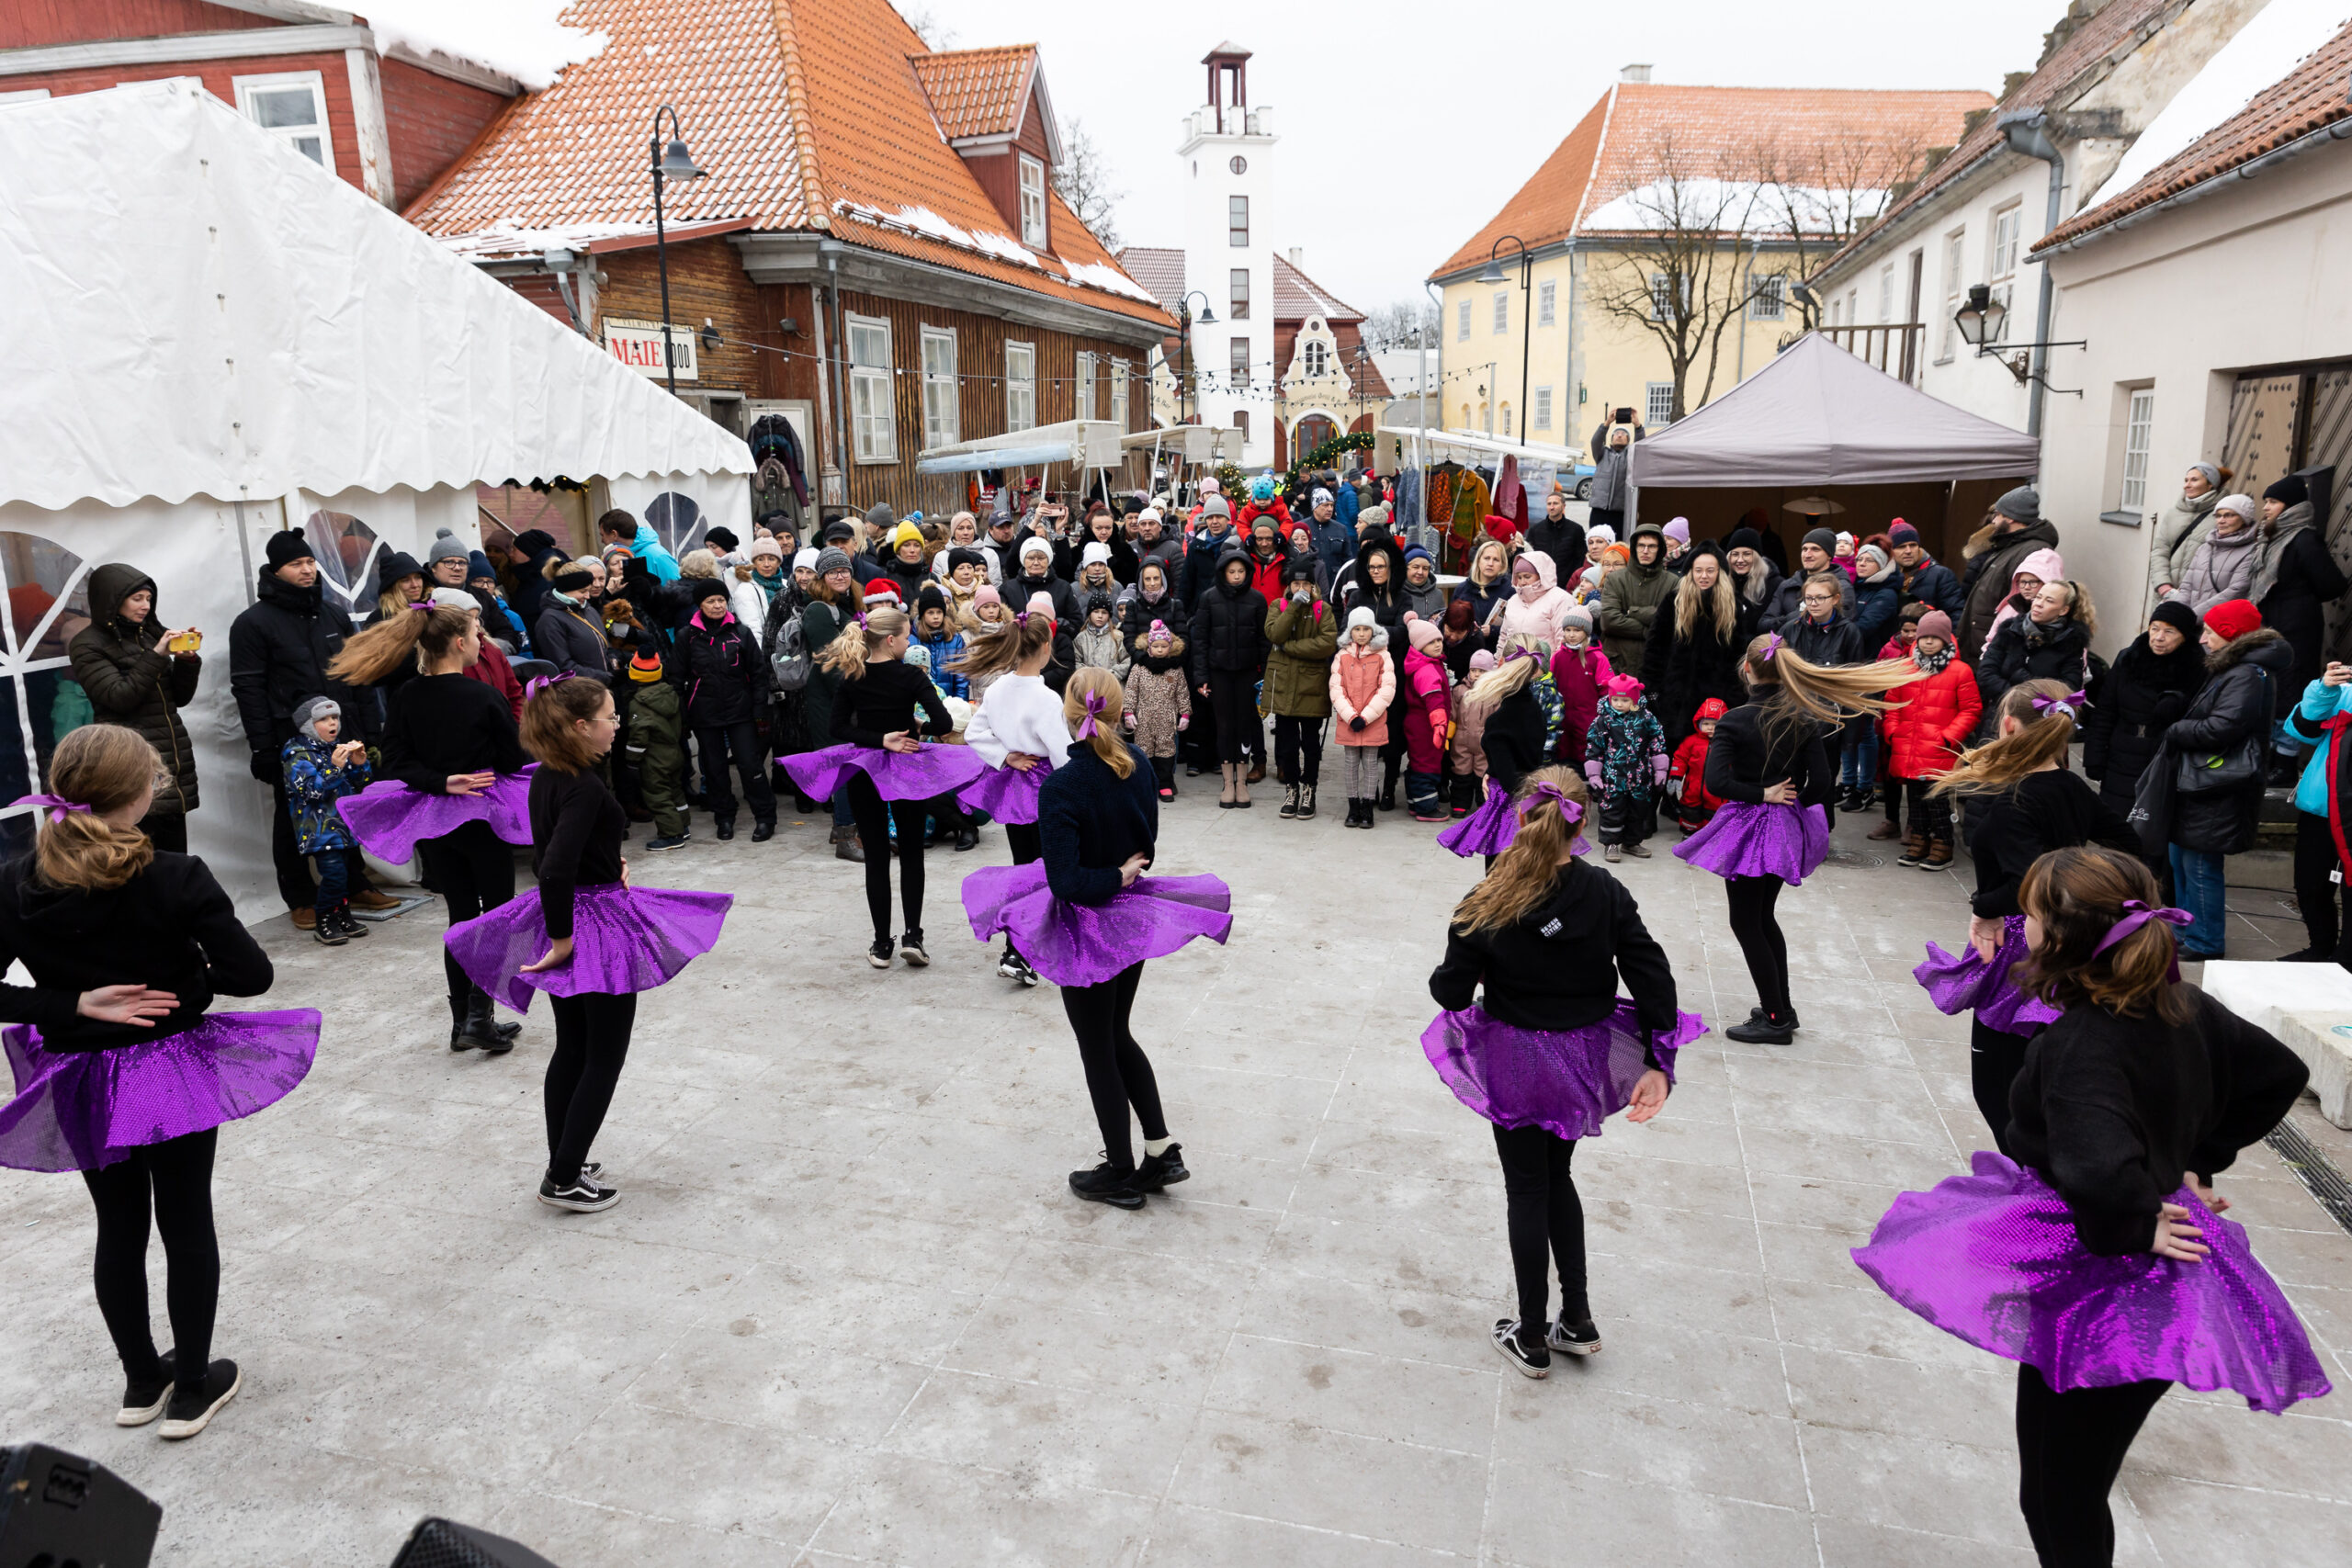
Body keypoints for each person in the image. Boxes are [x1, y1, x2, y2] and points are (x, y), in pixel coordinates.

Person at [1854, 847, 2325, 1567]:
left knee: (2058, 1496)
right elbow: (2278, 1072)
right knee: (2069, 1484)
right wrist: (2197, 1160)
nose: (2023, 924)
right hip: (2148, 1271)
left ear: (2063, 937)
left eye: (2033, 914)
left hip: (2107, 1287)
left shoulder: (2079, 1043)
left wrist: (2136, 1222)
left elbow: (2100, 1170)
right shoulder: (2182, 1005)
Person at [0, 725, 317, 1441]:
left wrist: (71, 1004)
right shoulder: (175, 873)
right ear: (137, 794)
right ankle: (192, 1387)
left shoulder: (18, 879)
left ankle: (143, 1380)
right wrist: (183, 986)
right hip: (164, 1069)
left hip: (79, 1075)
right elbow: (252, 974)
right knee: (184, 1220)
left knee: (118, 1225)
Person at [1424, 766, 1689, 1375]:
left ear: (1519, 819)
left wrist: (1481, 963)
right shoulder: (1606, 891)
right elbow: (1653, 976)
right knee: (1557, 1175)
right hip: (1585, 1058)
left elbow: (1450, 990)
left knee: (1527, 1186)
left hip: (1516, 1056)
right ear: (1583, 824)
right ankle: (1577, 1315)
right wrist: (1658, 1061)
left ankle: (1533, 1335)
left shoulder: (1489, 895)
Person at [444, 678, 728, 1212]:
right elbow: (552, 866)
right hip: (592, 925)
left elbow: (560, 846)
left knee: (572, 1046)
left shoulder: (549, 777)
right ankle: (564, 1178)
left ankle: (564, 1158)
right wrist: (560, 941)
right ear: (581, 727)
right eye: (611, 717)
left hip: (580, 909)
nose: (617, 726)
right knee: (604, 1055)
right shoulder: (585, 786)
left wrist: (606, 859)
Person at [960, 670, 1230, 1210]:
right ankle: (1160, 1149)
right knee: (1117, 1033)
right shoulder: (1139, 768)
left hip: (1088, 924)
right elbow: (1147, 843)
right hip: (1131, 919)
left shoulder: (1063, 784)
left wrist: (1113, 877)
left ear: (1065, 714)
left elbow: (1065, 881)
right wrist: (1125, 873)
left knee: (1096, 1045)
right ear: (1117, 711)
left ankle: (1122, 1171)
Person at [1927, 682, 2140, 1145]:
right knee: (2043, 1085)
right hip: (2071, 943)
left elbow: (2031, 885)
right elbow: (2133, 847)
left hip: (2026, 949)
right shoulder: (2070, 787)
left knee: (2001, 1093)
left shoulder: (2017, 802)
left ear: (2007, 726)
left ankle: (2034, 1197)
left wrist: (1985, 909)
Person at [1678, 634, 1909, 1043]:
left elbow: (1717, 781)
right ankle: (1781, 1007)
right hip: (1784, 826)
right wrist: (1787, 801)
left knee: (1747, 922)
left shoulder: (1734, 719)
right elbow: (1821, 783)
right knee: (1763, 917)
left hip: (1749, 828)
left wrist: (1760, 794)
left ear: (1747, 670)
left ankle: (1775, 1019)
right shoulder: (1801, 718)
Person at [329, 601, 534, 1050]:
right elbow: (511, 759)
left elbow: (397, 760)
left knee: (460, 915)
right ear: (460, 644)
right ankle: (481, 1016)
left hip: (435, 823)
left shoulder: (406, 695)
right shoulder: (483, 696)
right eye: (478, 634)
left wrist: (440, 780)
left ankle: (462, 1023)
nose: (482, 642)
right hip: (481, 818)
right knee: (498, 915)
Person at [787, 604, 981, 966]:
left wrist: (879, 738)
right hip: (905, 768)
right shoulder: (911, 676)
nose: (909, 642)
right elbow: (941, 722)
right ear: (891, 640)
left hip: (866, 769)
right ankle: (914, 938)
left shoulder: (853, 676)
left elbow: (838, 728)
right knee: (911, 853)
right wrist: (912, 726)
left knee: (876, 856)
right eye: (907, 636)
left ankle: (881, 944)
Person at [228, 530, 390, 927]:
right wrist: (262, 748)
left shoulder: (331, 613)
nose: (307, 570)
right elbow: (247, 688)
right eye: (297, 564)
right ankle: (301, 896)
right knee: (292, 816)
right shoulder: (253, 623)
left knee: (347, 805)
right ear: (276, 570)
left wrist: (369, 730)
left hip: (342, 729)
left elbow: (358, 673)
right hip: (291, 739)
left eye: (310, 562)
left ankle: (355, 882)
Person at [2158, 600, 2290, 958]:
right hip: (2204, 781)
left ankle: (2205, 940)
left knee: (2200, 864)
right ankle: (2186, 929)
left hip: (2218, 784)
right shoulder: (2237, 668)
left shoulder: (2246, 673)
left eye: (2210, 632)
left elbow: (2225, 727)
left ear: (2230, 635)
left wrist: (2177, 728)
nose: (2202, 639)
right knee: (2181, 858)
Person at [956, 612, 1066, 986]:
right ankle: (1020, 952)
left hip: (1015, 784)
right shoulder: (1047, 697)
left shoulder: (1000, 687)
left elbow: (974, 732)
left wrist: (1006, 756)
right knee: (1044, 869)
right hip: (1045, 788)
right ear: (1046, 647)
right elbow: (1063, 753)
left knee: (1024, 865)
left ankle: (1019, 949)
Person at [68, 563, 202, 853]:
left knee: (174, 855)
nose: (145, 606)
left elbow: (179, 698)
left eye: (149, 598)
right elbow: (119, 697)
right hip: (129, 762)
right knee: (138, 855)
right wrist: (156, 656)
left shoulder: (150, 634)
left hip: (171, 758)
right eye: (137, 598)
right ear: (112, 599)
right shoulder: (87, 644)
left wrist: (186, 662)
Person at [2249, 474, 2347, 782]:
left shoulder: (2303, 538)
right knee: (2270, 692)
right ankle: (2270, 760)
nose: (2266, 508)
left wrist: (2298, 599)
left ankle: (2286, 765)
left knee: (2289, 695)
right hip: (2272, 628)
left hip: (2296, 630)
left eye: (2273, 502)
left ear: (2290, 505)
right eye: (2265, 501)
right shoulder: (2273, 536)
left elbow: (2332, 584)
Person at [1871, 610, 1980, 868]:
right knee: (1916, 800)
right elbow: (1892, 704)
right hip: (1909, 746)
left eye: (1935, 637)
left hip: (1939, 748)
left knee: (1938, 800)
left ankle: (1943, 845)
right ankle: (1919, 841)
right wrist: (1893, 732)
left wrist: (1949, 737)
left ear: (1946, 639)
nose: (1929, 642)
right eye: (1924, 637)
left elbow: (1971, 709)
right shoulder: (1906, 668)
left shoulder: (1960, 671)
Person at [2081, 601, 2204, 819]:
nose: (2158, 637)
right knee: (2116, 829)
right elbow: (2105, 712)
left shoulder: (2196, 668)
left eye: (2169, 631)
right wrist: (2094, 756)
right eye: (2154, 628)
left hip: (2163, 758)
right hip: (2121, 754)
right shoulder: (2128, 658)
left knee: (2152, 831)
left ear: (2185, 636)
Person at [677, 581, 777, 842]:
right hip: (704, 713)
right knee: (715, 769)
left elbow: (758, 674)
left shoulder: (740, 633)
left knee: (750, 765)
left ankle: (765, 817)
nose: (717, 605)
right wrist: (683, 716)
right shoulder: (687, 636)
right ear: (700, 605)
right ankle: (724, 816)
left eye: (721, 600)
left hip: (740, 712)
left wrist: (758, 710)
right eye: (711, 601)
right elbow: (676, 678)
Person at [279, 696, 372, 946]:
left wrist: (359, 764)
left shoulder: (334, 748)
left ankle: (343, 917)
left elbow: (357, 784)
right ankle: (324, 920)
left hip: (342, 827)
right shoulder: (296, 754)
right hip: (318, 829)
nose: (333, 723)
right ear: (308, 724)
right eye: (324, 719)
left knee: (344, 875)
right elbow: (310, 791)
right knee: (333, 875)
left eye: (335, 717)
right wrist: (334, 768)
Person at [2280, 657, 2352, 963]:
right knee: (2309, 883)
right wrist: (2324, 690)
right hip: (2321, 806)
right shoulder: (2343, 691)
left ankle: (2346, 958)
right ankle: (2320, 948)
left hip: (2349, 813)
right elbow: (2300, 729)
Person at [1190, 544, 1271, 807]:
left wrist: (1266, 677)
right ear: (1222, 573)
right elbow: (1200, 640)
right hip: (1219, 672)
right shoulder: (1209, 598)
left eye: (1240, 571)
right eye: (1231, 571)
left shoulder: (1257, 600)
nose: (1236, 576)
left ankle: (1242, 781)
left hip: (1248, 673)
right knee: (1224, 726)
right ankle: (1227, 783)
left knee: (1245, 725)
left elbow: (1263, 641)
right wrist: (1201, 676)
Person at [800, 548, 865, 862]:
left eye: (845, 570)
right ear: (822, 577)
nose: (841, 576)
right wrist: (859, 697)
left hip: (845, 696)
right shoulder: (818, 610)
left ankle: (843, 826)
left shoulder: (846, 605)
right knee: (845, 768)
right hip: (830, 700)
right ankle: (846, 837)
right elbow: (828, 662)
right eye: (833, 572)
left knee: (849, 765)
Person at [1648, 549, 1746, 750]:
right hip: (1674, 695)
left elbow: (1738, 654)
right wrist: (1652, 689)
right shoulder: (1673, 601)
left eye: (1710, 571)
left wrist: (1734, 697)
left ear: (1720, 572)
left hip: (1716, 698)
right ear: (1690, 571)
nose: (1704, 576)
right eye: (1698, 570)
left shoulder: (1732, 605)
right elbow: (1655, 648)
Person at [1263, 560, 1337, 819]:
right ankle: (1292, 788)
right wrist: (1293, 607)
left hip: (1311, 686)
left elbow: (1327, 643)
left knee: (1310, 743)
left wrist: (1291, 649)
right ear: (1289, 585)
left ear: (1313, 585)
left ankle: (1309, 788)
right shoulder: (1279, 606)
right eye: (1296, 584)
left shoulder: (1322, 609)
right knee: (1286, 743)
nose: (1301, 588)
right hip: (1283, 685)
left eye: (1306, 584)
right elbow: (1275, 634)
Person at [1957, 488, 2061, 660]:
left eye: (1997, 514)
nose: (1994, 521)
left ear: (2011, 517)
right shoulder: (2009, 545)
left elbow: (2027, 605)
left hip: (1996, 648)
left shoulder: (2034, 552)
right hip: (1982, 643)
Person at [1981, 578, 2095, 727]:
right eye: (2038, 597)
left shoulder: (2071, 642)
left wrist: (2026, 682)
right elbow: (1986, 673)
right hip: (2000, 716)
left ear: (2063, 610)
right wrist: (2015, 697)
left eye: (2049, 601)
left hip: (2040, 724)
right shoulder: (2010, 630)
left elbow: (2068, 690)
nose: (2039, 604)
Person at [1583, 674, 1667, 862]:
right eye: (1615, 699)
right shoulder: (1602, 721)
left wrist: (1660, 769)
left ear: (1635, 699)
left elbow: (1657, 741)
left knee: (1638, 810)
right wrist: (1594, 774)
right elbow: (1593, 747)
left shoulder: (1646, 718)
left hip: (1640, 776)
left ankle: (1632, 842)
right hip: (1612, 778)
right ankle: (1611, 843)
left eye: (1625, 700)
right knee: (1612, 809)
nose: (1619, 704)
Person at [1329, 607, 1396, 829]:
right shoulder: (1342, 656)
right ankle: (1353, 806)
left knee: (1370, 764)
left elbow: (1386, 689)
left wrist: (1366, 716)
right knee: (1350, 764)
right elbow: (1336, 688)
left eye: (1365, 629)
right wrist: (1350, 716)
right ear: (1350, 631)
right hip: (1349, 721)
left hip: (1373, 721)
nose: (1361, 633)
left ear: (1373, 630)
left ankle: (1368, 806)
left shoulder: (1383, 655)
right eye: (1356, 629)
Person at [623, 651, 689, 852]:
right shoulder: (669, 693)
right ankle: (683, 825)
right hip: (675, 752)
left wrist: (631, 761)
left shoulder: (639, 703)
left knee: (657, 794)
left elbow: (638, 737)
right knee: (676, 791)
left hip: (655, 758)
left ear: (634, 674)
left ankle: (672, 835)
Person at [1122, 620, 1192, 803]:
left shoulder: (1175, 670)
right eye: (1156, 646)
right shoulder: (1139, 668)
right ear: (1149, 647)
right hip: (1143, 719)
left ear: (1170, 646)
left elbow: (1182, 693)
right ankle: (1146, 784)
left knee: (1166, 751)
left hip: (1166, 720)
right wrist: (1128, 712)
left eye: (1164, 646)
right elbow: (1131, 691)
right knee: (1144, 752)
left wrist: (1184, 714)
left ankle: (1165, 783)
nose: (1160, 650)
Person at [2162, 494, 2259, 615]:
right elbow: (2187, 586)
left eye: (2229, 515)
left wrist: (2192, 617)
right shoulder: (2205, 547)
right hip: (2190, 623)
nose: (2221, 520)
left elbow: (2235, 591)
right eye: (2218, 515)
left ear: (2244, 519)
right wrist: (2181, 614)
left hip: (2219, 625)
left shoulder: (2251, 550)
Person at [1598, 522, 1673, 672]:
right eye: (1641, 545)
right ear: (1634, 547)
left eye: (1651, 546)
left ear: (1660, 550)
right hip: (1616, 665)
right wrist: (1649, 631)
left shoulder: (1673, 582)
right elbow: (1609, 621)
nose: (1645, 551)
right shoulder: (1615, 579)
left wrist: (1633, 612)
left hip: (1654, 667)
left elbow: (1670, 622)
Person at [2148, 462, 2226, 604]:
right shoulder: (2173, 514)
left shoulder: (2222, 515)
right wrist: (2164, 588)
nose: (2187, 485)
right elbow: (2160, 551)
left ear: (2211, 484)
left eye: (2194, 480)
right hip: (2166, 597)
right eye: (2186, 480)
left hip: (2198, 599)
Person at [1398, 615, 1453, 821]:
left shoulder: (1425, 662)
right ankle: (1427, 808)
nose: (1438, 645)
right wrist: (1439, 725)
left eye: (1439, 640)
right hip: (1426, 726)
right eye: (1431, 642)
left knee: (1417, 762)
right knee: (1427, 765)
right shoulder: (1427, 669)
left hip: (1419, 723)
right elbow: (1433, 699)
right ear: (1420, 645)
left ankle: (1416, 802)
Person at [1547, 606, 1612, 774]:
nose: (1571, 634)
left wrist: (1602, 716)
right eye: (1567, 630)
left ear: (1586, 631)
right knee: (1563, 754)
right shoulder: (1558, 656)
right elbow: (1551, 682)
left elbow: (1606, 689)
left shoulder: (1597, 658)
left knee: (1584, 755)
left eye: (1577, 630)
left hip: (1587, 718)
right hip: (1562, 716)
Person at [534, 559, 613, 679]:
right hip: (579, 691)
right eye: (583, 591)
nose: (587, 596)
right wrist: (604, 678)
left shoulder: (588, 610)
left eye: (588, 590)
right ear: (566, 589)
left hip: (601, 687)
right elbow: (563, 666)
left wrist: (615, 659)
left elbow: (604, 646)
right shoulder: (550, 620)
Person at [1667, 697, 1728, 833]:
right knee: (1690, 810)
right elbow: (1680, 758)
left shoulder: (1726, 743)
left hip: (1716, 788)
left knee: (1713, 812)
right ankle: (1689, 833)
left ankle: (1709, 834)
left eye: (1716, 724)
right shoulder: (1691, 741)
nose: (1710, 728)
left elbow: (1733, 763)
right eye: (1706, 724)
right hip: (1692, 785)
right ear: (1699, 723)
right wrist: (1676, 776)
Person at [1887, 521, 1962, 616]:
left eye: (1913, 545)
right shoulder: (1887, 576)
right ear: (1891, 551)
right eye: (1901, 547)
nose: (1908, 551)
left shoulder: (1941, 575)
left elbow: (1956, 612)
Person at [1585, 420, 1639, 536]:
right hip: (1599, 510)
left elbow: (1640, 445)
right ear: (1611, 438)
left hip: (1620, 512)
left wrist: (1637, 426)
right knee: (1596, 540)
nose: (1620, 435)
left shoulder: (1631, 455)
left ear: (1628, 440)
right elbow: (1595, 441)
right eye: (1617, 433)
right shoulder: (1602, 454)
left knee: (1617, 543)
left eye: (1624, 434)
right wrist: (1607, 423)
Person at [596, 508, 681, 583]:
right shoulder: (616, 555)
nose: (602, 540)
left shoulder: (658, 556)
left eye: (602, 535)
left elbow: (678, 591)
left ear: (614, 534)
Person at [1526, 489, 1585, 570]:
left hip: (1567, 578)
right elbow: (1530, 555)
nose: (1552, 507)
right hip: (1541, 576)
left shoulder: (1576, 529)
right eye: (1549, 504)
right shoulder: (1535, 530)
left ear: (1563, 506)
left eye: (1555, 503)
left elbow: (1580, 557)